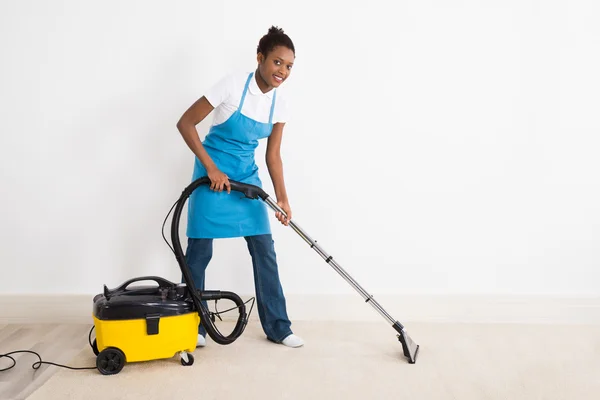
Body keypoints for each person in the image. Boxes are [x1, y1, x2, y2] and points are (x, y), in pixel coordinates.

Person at [176, 26, 303, 348]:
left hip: (246, 180)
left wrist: (283, 200)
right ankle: (195, 326)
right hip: (211, 177)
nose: (282, 71)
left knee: (264, 249)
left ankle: (278, 326)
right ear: (260, 58)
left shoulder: (280, 104)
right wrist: (211, 168)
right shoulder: (232, 85)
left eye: (289, 66)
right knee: (199, 253)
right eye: (277, 62)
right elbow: (186, 123)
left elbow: (273, 156)